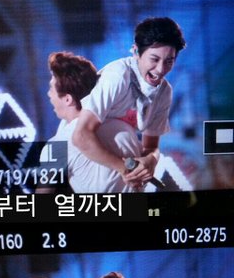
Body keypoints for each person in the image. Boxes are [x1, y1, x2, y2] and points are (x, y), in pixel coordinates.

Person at [71, 17, 186, 189]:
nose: (161, 69)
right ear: (136, 51)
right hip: (81, 154)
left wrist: (151, 161)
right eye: (154, 59)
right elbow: (80, 136)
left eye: (169, 61)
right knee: (123, 135)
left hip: (115, 164)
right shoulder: (118, 76)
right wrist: (125, 169)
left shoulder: (164, 92)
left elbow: (151, 147)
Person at [37, 51, 141, 193]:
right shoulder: (123, 127)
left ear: (67, 99)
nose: (49, 94)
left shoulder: (58, 146)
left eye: (51, 89)